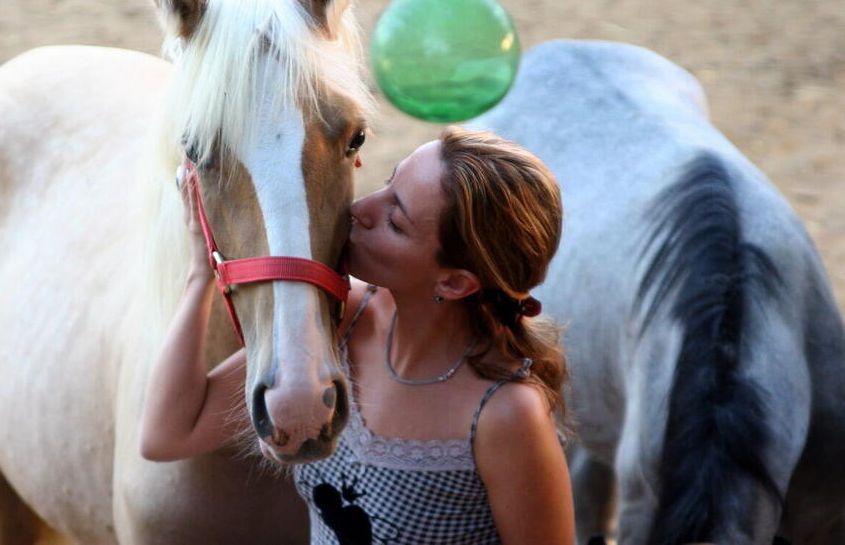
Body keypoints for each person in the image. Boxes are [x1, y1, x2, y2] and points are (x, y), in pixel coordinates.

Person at [140, 126, 575, 544]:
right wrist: (201, 275)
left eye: (395, 220)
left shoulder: (506, 415)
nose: (361, 210)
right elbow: (168, 435)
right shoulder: (343, 320)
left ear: (455, 283)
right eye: (387, 183)